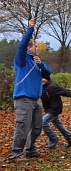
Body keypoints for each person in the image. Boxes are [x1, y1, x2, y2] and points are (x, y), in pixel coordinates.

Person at [9, 18, 52, 162]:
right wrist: (30, 29)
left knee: (37, 128)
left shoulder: (37, 61)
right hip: (23, 99)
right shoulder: (21, 60)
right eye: (36, 47)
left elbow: (49, 72)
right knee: (22, 127)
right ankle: (15, 154)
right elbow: (21, 46)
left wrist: (41, 64)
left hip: (35, 100)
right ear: (29, 48)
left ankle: (30, 149)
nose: (38, 49)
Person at [41, 71, 71, 149]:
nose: (42, 80)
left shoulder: (53, 86)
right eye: (40, 78)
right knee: (58, 125)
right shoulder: (41, 88)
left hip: (54, 109)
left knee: (43, 122)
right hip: (48, 109)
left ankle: (53, 138)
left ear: (47, 78)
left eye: (43, 78)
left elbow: (64, 91)